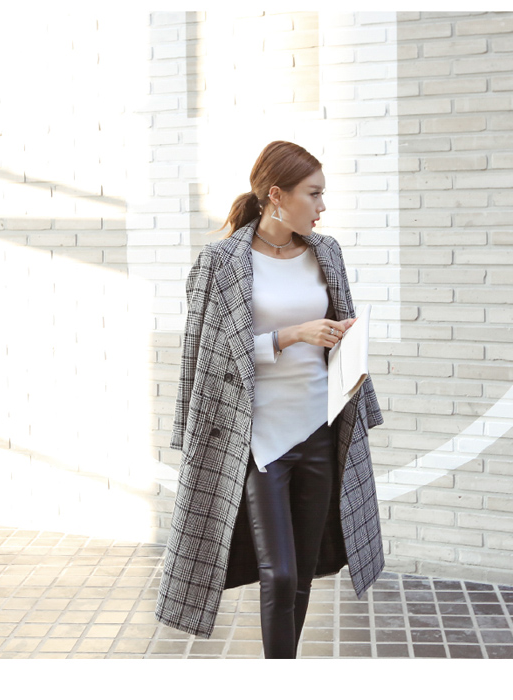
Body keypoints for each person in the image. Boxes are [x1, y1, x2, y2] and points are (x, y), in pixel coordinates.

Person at [155, 140, 385, 659]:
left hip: (320, 429)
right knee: (278, 574)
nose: (322, 206)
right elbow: (210, 352)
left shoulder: (326, 252)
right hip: (258, 438)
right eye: (314, 194)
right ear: (277, 196)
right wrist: (291, 335)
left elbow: (336, 322)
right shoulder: (222, 262)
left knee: (300, 572)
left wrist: (345, 341)